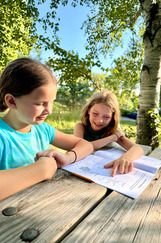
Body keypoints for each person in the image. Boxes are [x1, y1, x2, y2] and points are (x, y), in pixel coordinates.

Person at [0, 57, 93, 200]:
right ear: (11, 101)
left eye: (51, 102)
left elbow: (85, 145)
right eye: (40, 103)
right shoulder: (2, 135)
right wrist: (42, 170)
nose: (49, 111)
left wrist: (67, 158)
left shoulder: (43, 130)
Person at [74, 90, 144, 177]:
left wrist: (127, 157)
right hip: (80, 171)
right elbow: (80, 148)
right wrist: (111, 138)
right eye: (95, 114)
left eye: (106, 117)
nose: (100, 120)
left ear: (112, 118)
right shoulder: (80, 127)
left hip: (104, 172)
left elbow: (138, 148)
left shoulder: (112, 131)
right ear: (89, 111)